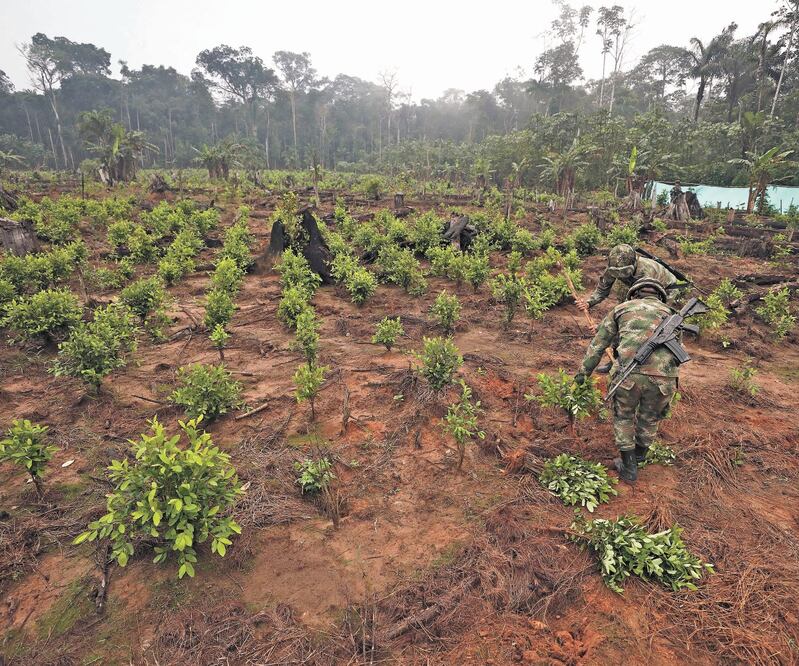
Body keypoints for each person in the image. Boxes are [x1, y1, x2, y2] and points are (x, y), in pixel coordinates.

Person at [574, 278, 680, 483]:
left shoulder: (620, 309)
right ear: (660, 295)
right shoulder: (672, 315)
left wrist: (581, 377)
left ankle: (629, 467)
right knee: (650, 418)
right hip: (663, 378)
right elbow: (677, 354)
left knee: (623, 417)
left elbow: (597, 346)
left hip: (627, 376)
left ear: (634, 293)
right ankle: (640, 456)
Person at [582, 244, 678, 310]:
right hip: (634, 284)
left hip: (666, 287)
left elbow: (641, 303)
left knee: (656, 315)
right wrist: (589, 303)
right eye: (616, 273)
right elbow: (602, 289)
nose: (620, 276)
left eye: (624, 272)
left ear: (634, 263)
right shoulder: (613, 267)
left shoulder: (645, 271)